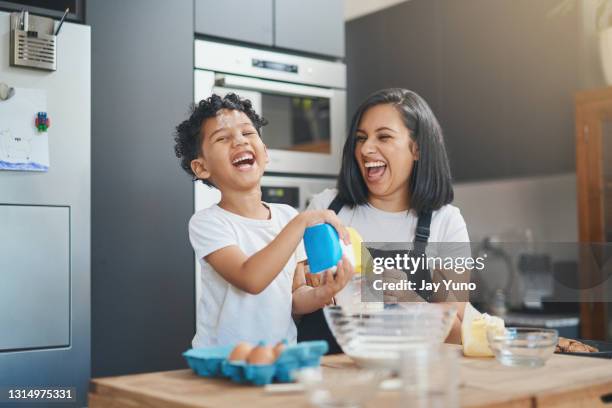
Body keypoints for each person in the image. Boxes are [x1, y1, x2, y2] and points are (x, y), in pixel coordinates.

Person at [174, 93, 354, 348]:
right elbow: (251, 279)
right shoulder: (208, 223)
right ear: (202, 168)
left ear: (265, 153)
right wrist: (301, 223)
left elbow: (293, 298)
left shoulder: (287, 217)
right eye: (223, 138)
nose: (239, 142)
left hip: (280, 356)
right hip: (224, 360)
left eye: (247, 133)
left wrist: (322, 294)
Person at [299, 88, 469, 349]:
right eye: (360, 138)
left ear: (417, 149)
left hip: (408, 376)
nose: (366, 148)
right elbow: (290, 305)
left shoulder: (446, 222)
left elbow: (458, 333)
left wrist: (409, 299)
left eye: (384, 137)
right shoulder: (325, 208)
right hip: (330, 376)